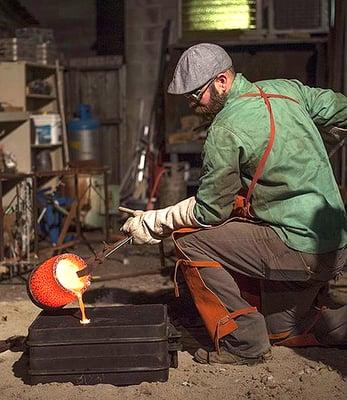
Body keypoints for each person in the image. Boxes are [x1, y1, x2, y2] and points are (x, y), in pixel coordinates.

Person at [121, 43, 347, 365]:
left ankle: (242, 342)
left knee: (188, 241)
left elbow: (209, 212)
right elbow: (343, 111)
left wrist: (156, 221)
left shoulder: (225, 129)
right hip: (336, 246)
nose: (193, 106)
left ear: (222, 81)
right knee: (281, 328)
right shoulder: (286, 90)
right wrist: (316, 151)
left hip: (299, 249)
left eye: (196, 96)